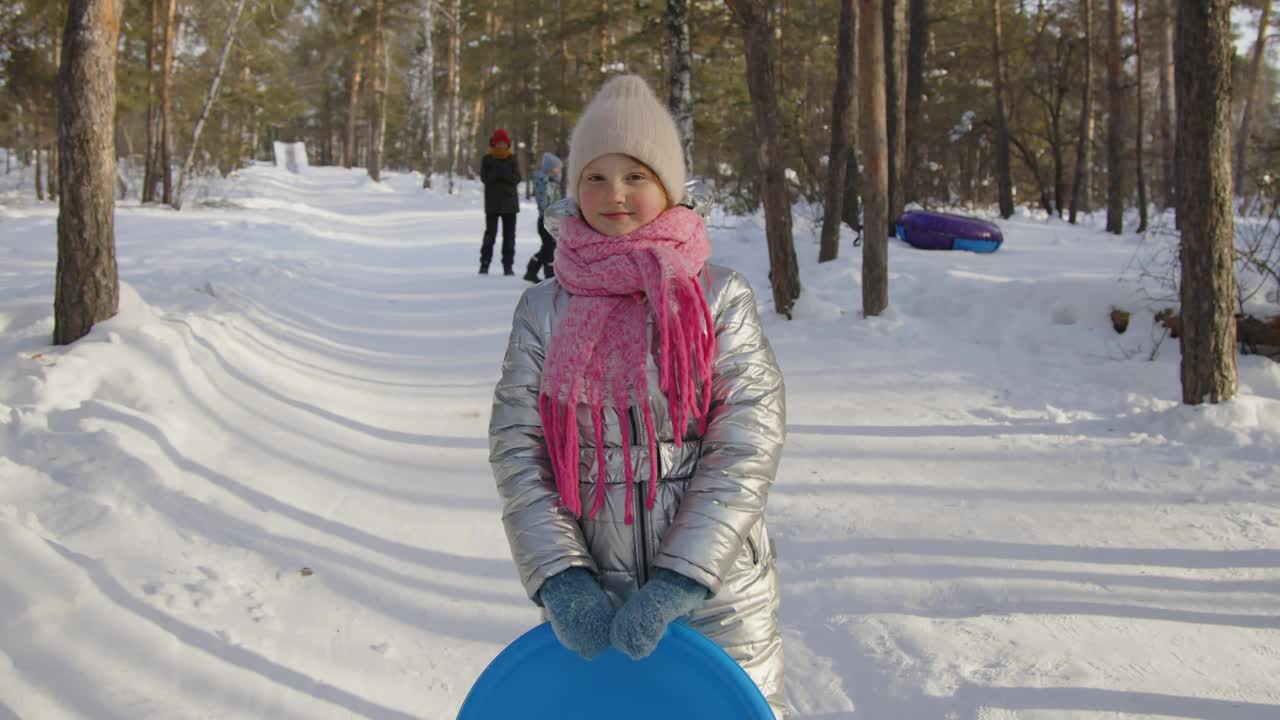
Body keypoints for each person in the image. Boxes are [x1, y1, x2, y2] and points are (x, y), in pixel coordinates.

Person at [488, 74, 787, 718]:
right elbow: (519, 449)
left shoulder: (717, 297)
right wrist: (562, 577)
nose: (614, 194)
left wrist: (685, 575)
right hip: (594, 590)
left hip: (719, 592)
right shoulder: (543, 308)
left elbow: (745, 442)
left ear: (669, 186)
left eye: (635, 175)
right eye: (595, 176)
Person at [479, 127, 521, 275]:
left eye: (504, 143)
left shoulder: (512, 159)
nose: (501, 146)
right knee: (490, 235)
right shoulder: (487, 159)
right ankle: (484, 264)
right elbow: (485, 179)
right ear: (494, 144)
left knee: (509, 236)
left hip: (510, 205)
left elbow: (517, 179)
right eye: (498, 143)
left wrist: (506, 174)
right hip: (492, 204)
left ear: (507, 144)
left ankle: (508, 265)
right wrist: (496, 173)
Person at [523, 152, 563, 282]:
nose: (559, 171)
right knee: (549, 249)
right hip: (545, 221)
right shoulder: (544, 182)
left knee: (548, 247)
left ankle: (531, 270)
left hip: (553, 221)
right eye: (556, 168)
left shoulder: (554, 182)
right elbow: (544, 202)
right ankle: (549, 276)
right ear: (550, 169)